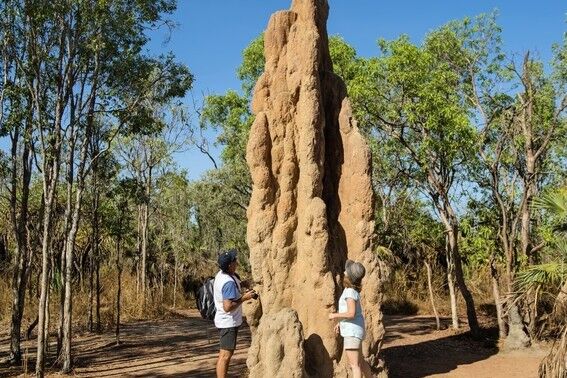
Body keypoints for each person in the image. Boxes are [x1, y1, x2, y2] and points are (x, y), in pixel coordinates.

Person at [214, 249, 257, 378]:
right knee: (225, 355)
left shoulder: (225, 275)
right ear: (229, 265)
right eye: (234, 260)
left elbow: (234, 285)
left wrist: (242, 283)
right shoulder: (228, 283)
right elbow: (227, 307)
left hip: (228, 321)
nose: (236, 262)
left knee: (226, 354)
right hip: (228, 322)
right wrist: (244, 297)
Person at [329, 259, 373, 378]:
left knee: (355, 366)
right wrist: (340, 323)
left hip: (352, 333)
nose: (344, 271)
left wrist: (335, 315)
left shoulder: (349, 292)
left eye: (346, 271)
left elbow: (351, 313)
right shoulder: (352, 291)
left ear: (349, 276)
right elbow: (352, 313)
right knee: (361, 363)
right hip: (355, 330)